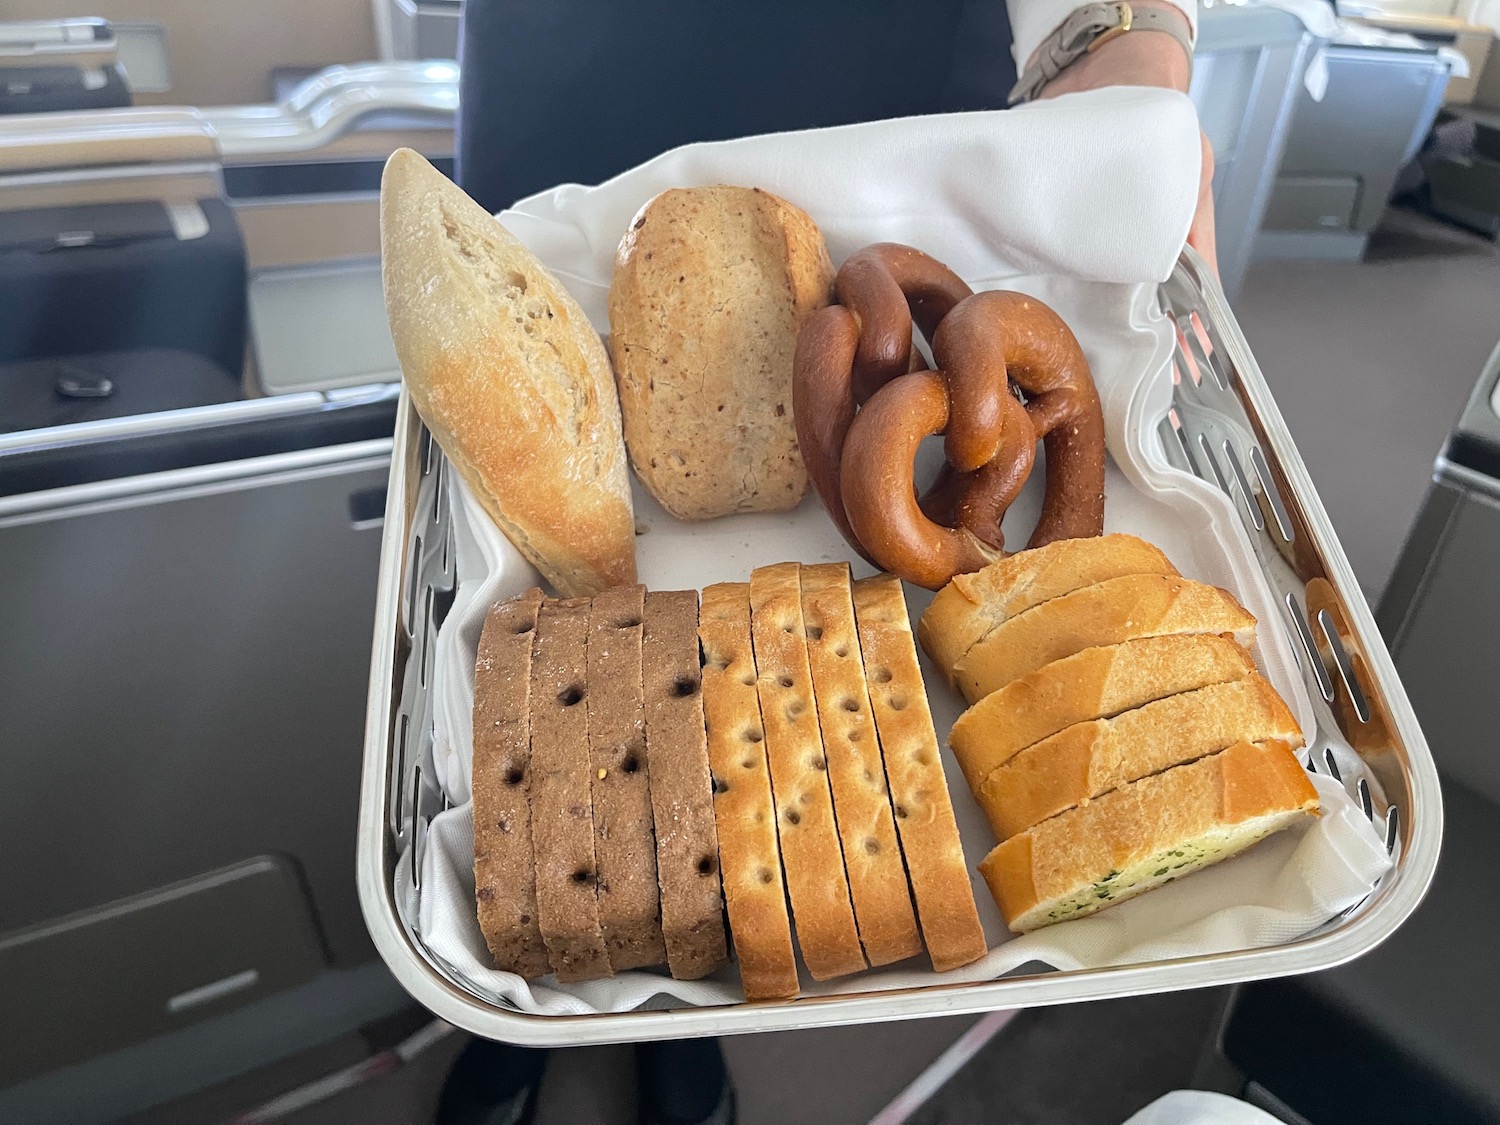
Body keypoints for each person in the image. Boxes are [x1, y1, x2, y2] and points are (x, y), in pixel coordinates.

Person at [439, 2, 1212, 1122]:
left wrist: (1120, 30)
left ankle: (679, 1040)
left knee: (717, 904)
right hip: (572, 63)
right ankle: (501, 1021)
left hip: (880, 73)